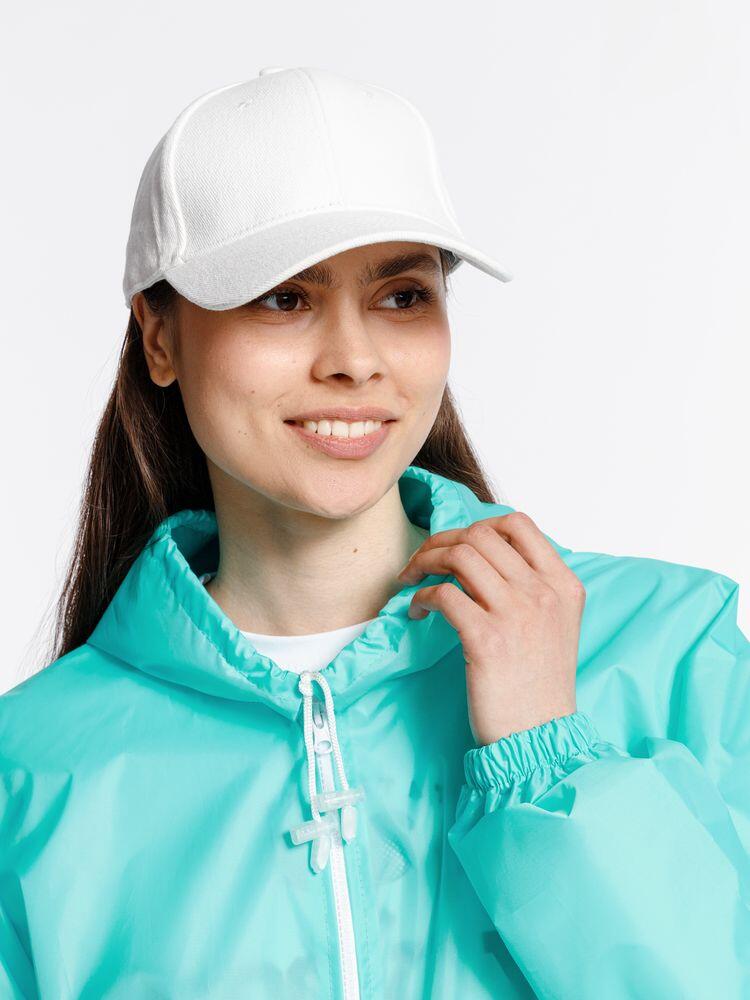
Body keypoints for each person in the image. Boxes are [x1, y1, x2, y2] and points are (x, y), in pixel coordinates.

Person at [1, 66, 748, 1000]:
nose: (355, 361)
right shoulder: (31, 768)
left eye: (402, 296)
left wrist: (550, 762)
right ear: (160, 336)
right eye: (283, 297)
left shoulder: (669, 649)